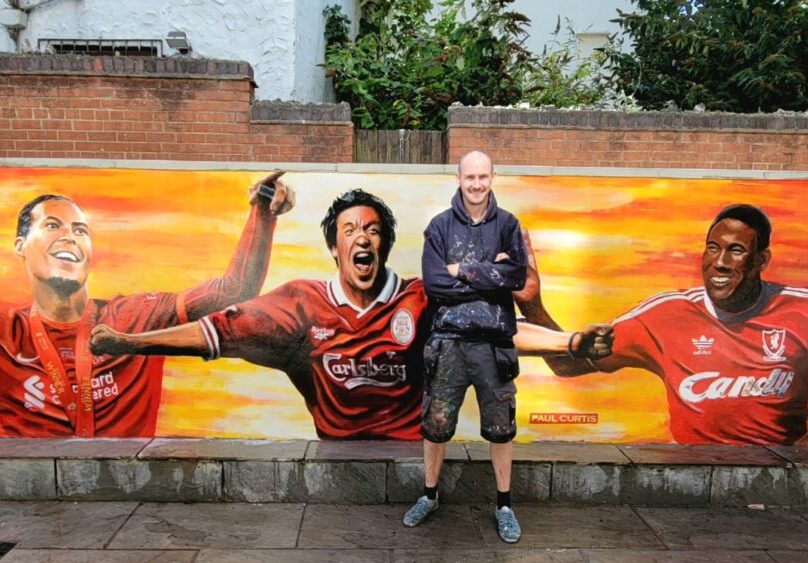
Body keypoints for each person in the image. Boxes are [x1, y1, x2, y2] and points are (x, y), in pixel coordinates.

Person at [89, 189, 611, 441]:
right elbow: (211, 333)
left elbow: (495, 330)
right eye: (349, 230)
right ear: (334, 249)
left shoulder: (419, 299)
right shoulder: (298, 306)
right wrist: (128, 342)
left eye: (372, 230)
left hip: (410, 454)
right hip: (334, 455)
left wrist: (565, 343)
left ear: (382, 245)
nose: (361, 237)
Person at [403, 151, 612, 544]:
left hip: (496, 345)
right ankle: (429, 495)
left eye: (483, 176)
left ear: (493, 177)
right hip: (447, 344)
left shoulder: (508, 226)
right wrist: (490, 274)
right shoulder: (440, 227)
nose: (477, 184)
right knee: (435, 427)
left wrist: (463, 270)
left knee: (501, 431)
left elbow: (516, 276)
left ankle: (503, 505)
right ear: (458, 178)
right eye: (470, 177)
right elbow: (434, 283)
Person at [0, 171, 295, 437]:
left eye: (81, 231)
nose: (70, 237)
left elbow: (235, 291)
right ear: (20, 245)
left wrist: (264, 212)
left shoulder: (135, 317)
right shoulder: (8, 333)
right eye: (53, 226)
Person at [518, 203, 808, 446]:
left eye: (736, 250)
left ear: (761, 260)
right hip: (693, 481)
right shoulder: (665, 315)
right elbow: (567, 366)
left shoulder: (800, 311)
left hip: (780, 482)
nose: (720, 262)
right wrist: (532, 303)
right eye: (712, 248)